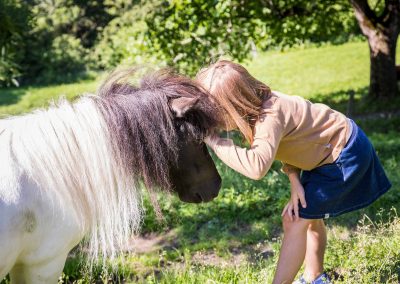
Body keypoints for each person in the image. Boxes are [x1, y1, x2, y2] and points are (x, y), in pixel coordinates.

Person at [196, 60, 392, 284]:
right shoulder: (260, 107)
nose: (213, 120)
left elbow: (256, 167)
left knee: (296, 220)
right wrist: (294, 180)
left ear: (235, 104)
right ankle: (316, 277)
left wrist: (215, 141)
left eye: (216, 113)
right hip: (326, 153)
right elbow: (295, 140)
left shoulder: (268, 117)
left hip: (343, 154)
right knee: (308, 216)